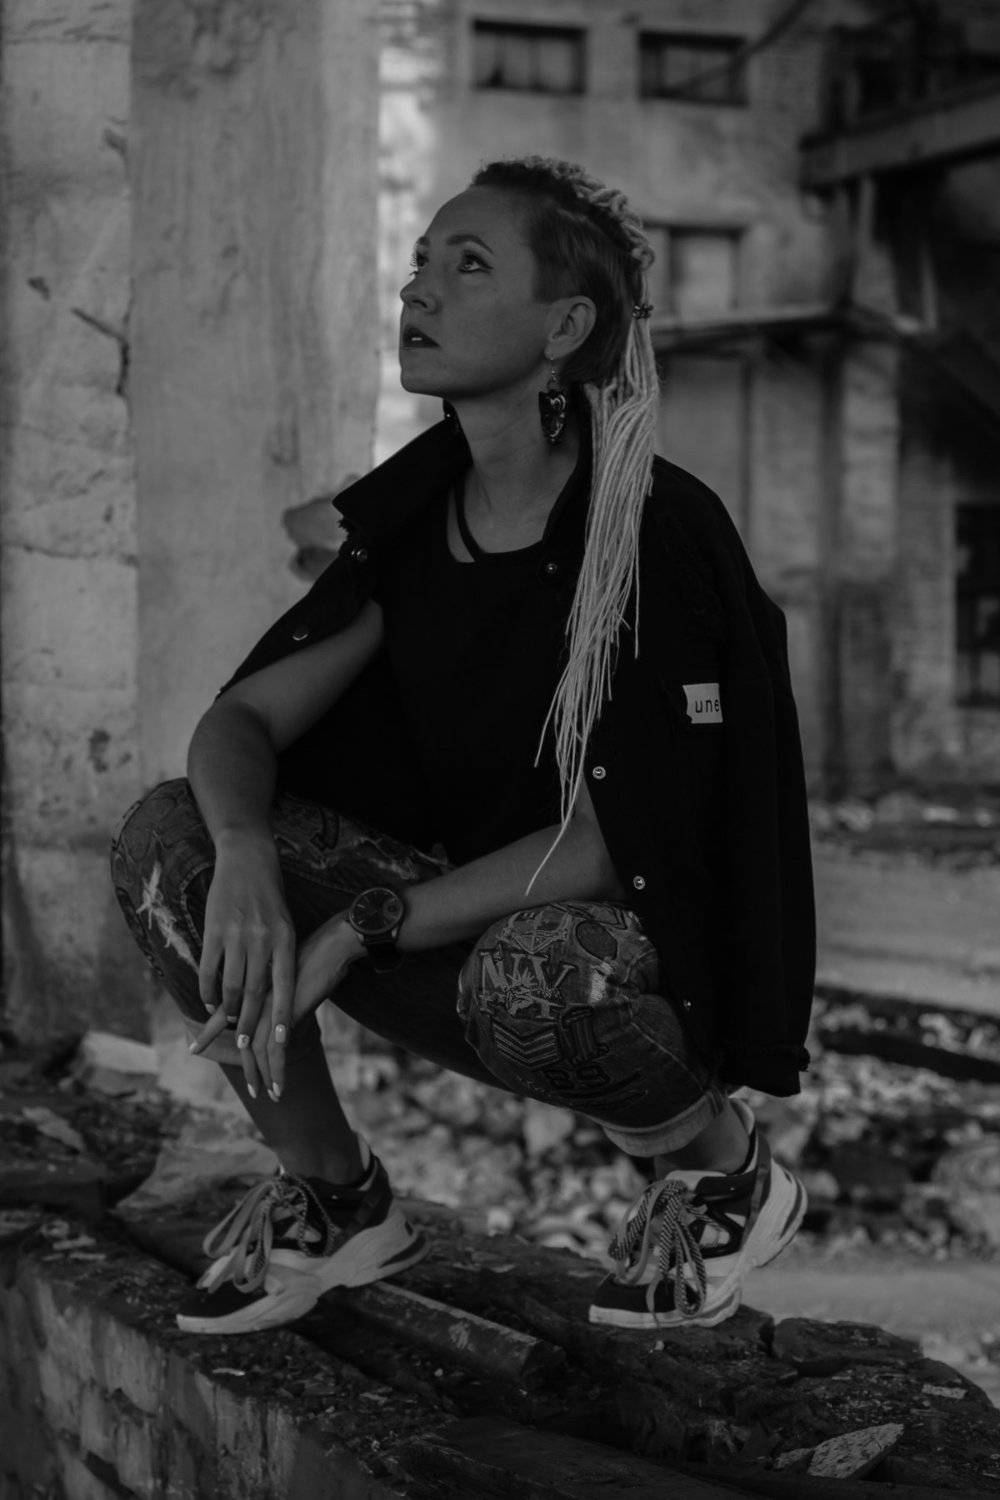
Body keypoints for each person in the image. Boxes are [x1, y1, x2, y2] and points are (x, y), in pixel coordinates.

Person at [110, 155, 815, 1338]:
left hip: (609, 964)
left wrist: (356, 925)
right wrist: (242, 854)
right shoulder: (411, 516)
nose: (417, 290)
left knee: (535, 971)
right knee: (166, 841)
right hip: (448, 929)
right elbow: (241, 723)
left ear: (563, 328)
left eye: (468, 265)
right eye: (420, 262)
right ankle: (337, 1200)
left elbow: (606, 843)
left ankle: (724, 1174)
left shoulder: (650, 530)